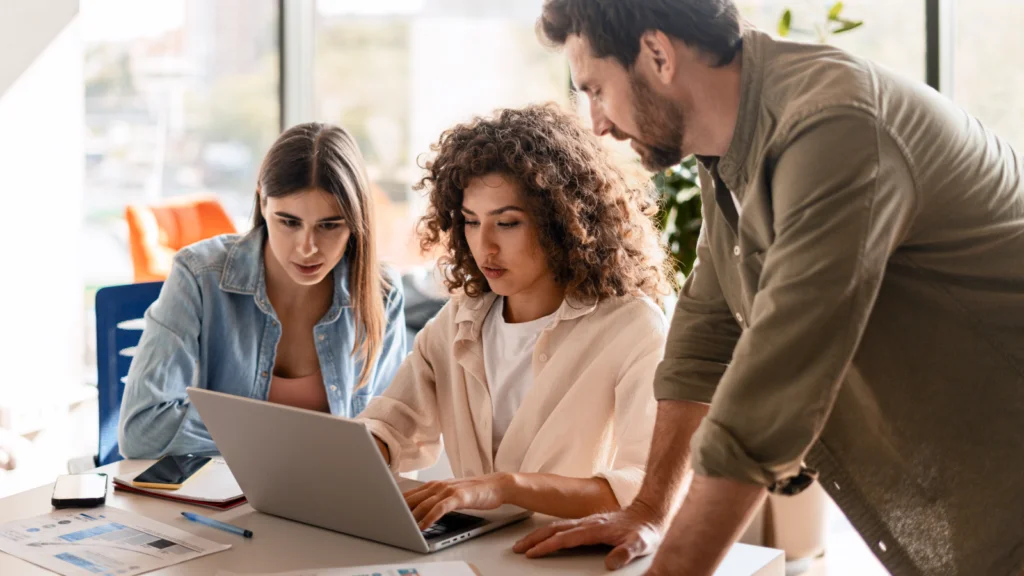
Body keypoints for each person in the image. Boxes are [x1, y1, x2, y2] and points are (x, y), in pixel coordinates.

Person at [517, 2, 1024, 575]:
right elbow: (707, 335)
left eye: (596, 90)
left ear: (658, 54)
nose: (597, 123)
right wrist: (650, 510)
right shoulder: (728, 144)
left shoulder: (833, 123)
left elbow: (776, 387)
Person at [356, 103, 671, 531]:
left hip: (570, 559)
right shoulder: (458, 321)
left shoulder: (633, 329)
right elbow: (391, 425)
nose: (483, 246)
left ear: (563, 222)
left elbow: (642, 488)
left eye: (506, 223)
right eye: (470, 221)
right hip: (472, 555)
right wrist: (349, 458)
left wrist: (504, 487)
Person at [119, 123, 408, 459]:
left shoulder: (382, 292)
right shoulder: (199, 277)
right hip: (220, 493)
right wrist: (296, 444)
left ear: (357, 220)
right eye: (288, 221)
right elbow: (142, 431)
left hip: (329, 498)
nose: (307, 248)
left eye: (330, 225)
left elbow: (390, 433)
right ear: (262, 200)